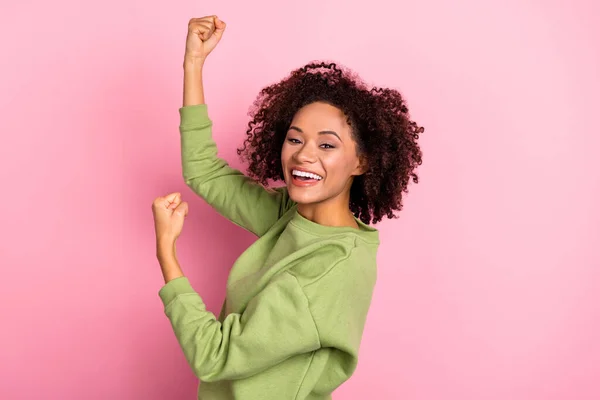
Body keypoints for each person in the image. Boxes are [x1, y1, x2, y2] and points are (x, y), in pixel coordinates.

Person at [151, 15, 424, 400]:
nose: (303, 156)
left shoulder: (327, 270)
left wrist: (166, 253)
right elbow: (204, 172)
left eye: (327, 145)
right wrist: (193, 64)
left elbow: (214, 356)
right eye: (295, 139)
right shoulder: (292, 217)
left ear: (361, 163)